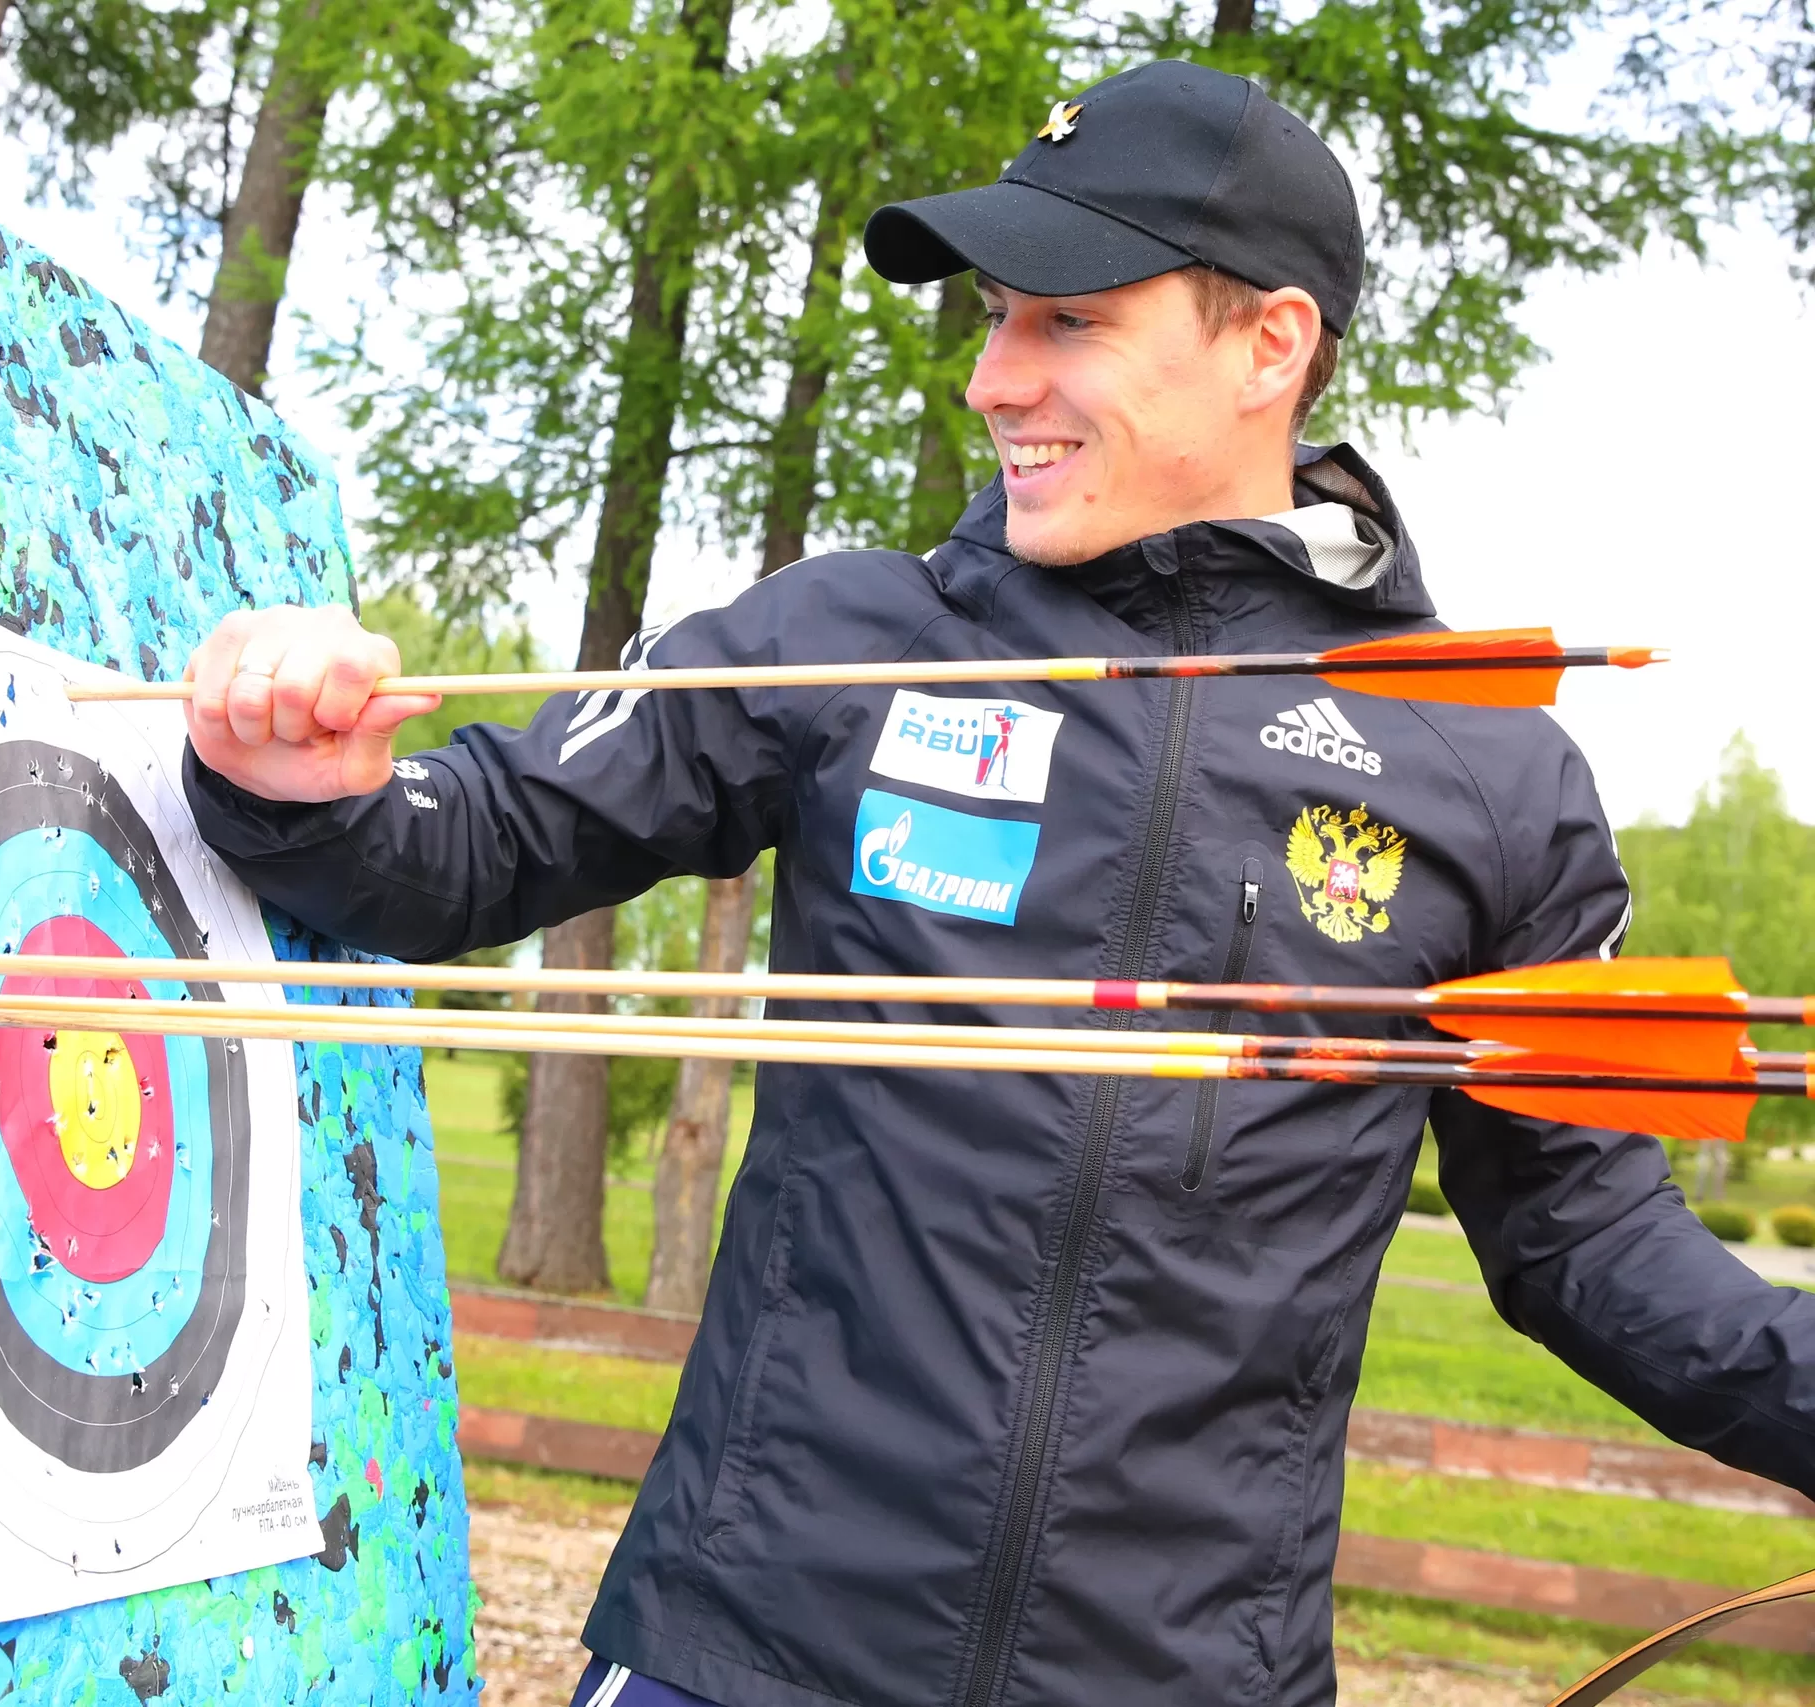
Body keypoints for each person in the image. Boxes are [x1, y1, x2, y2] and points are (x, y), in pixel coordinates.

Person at [179, 60, 1815, 1707]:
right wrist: (303, 779)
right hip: (745, 1654)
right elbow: (469, 844)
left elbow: (1589, 1236)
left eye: (1068, 321)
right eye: (992, 317)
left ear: (1271, 344)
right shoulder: (845, 636)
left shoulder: (1491, 770)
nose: (992, 380)